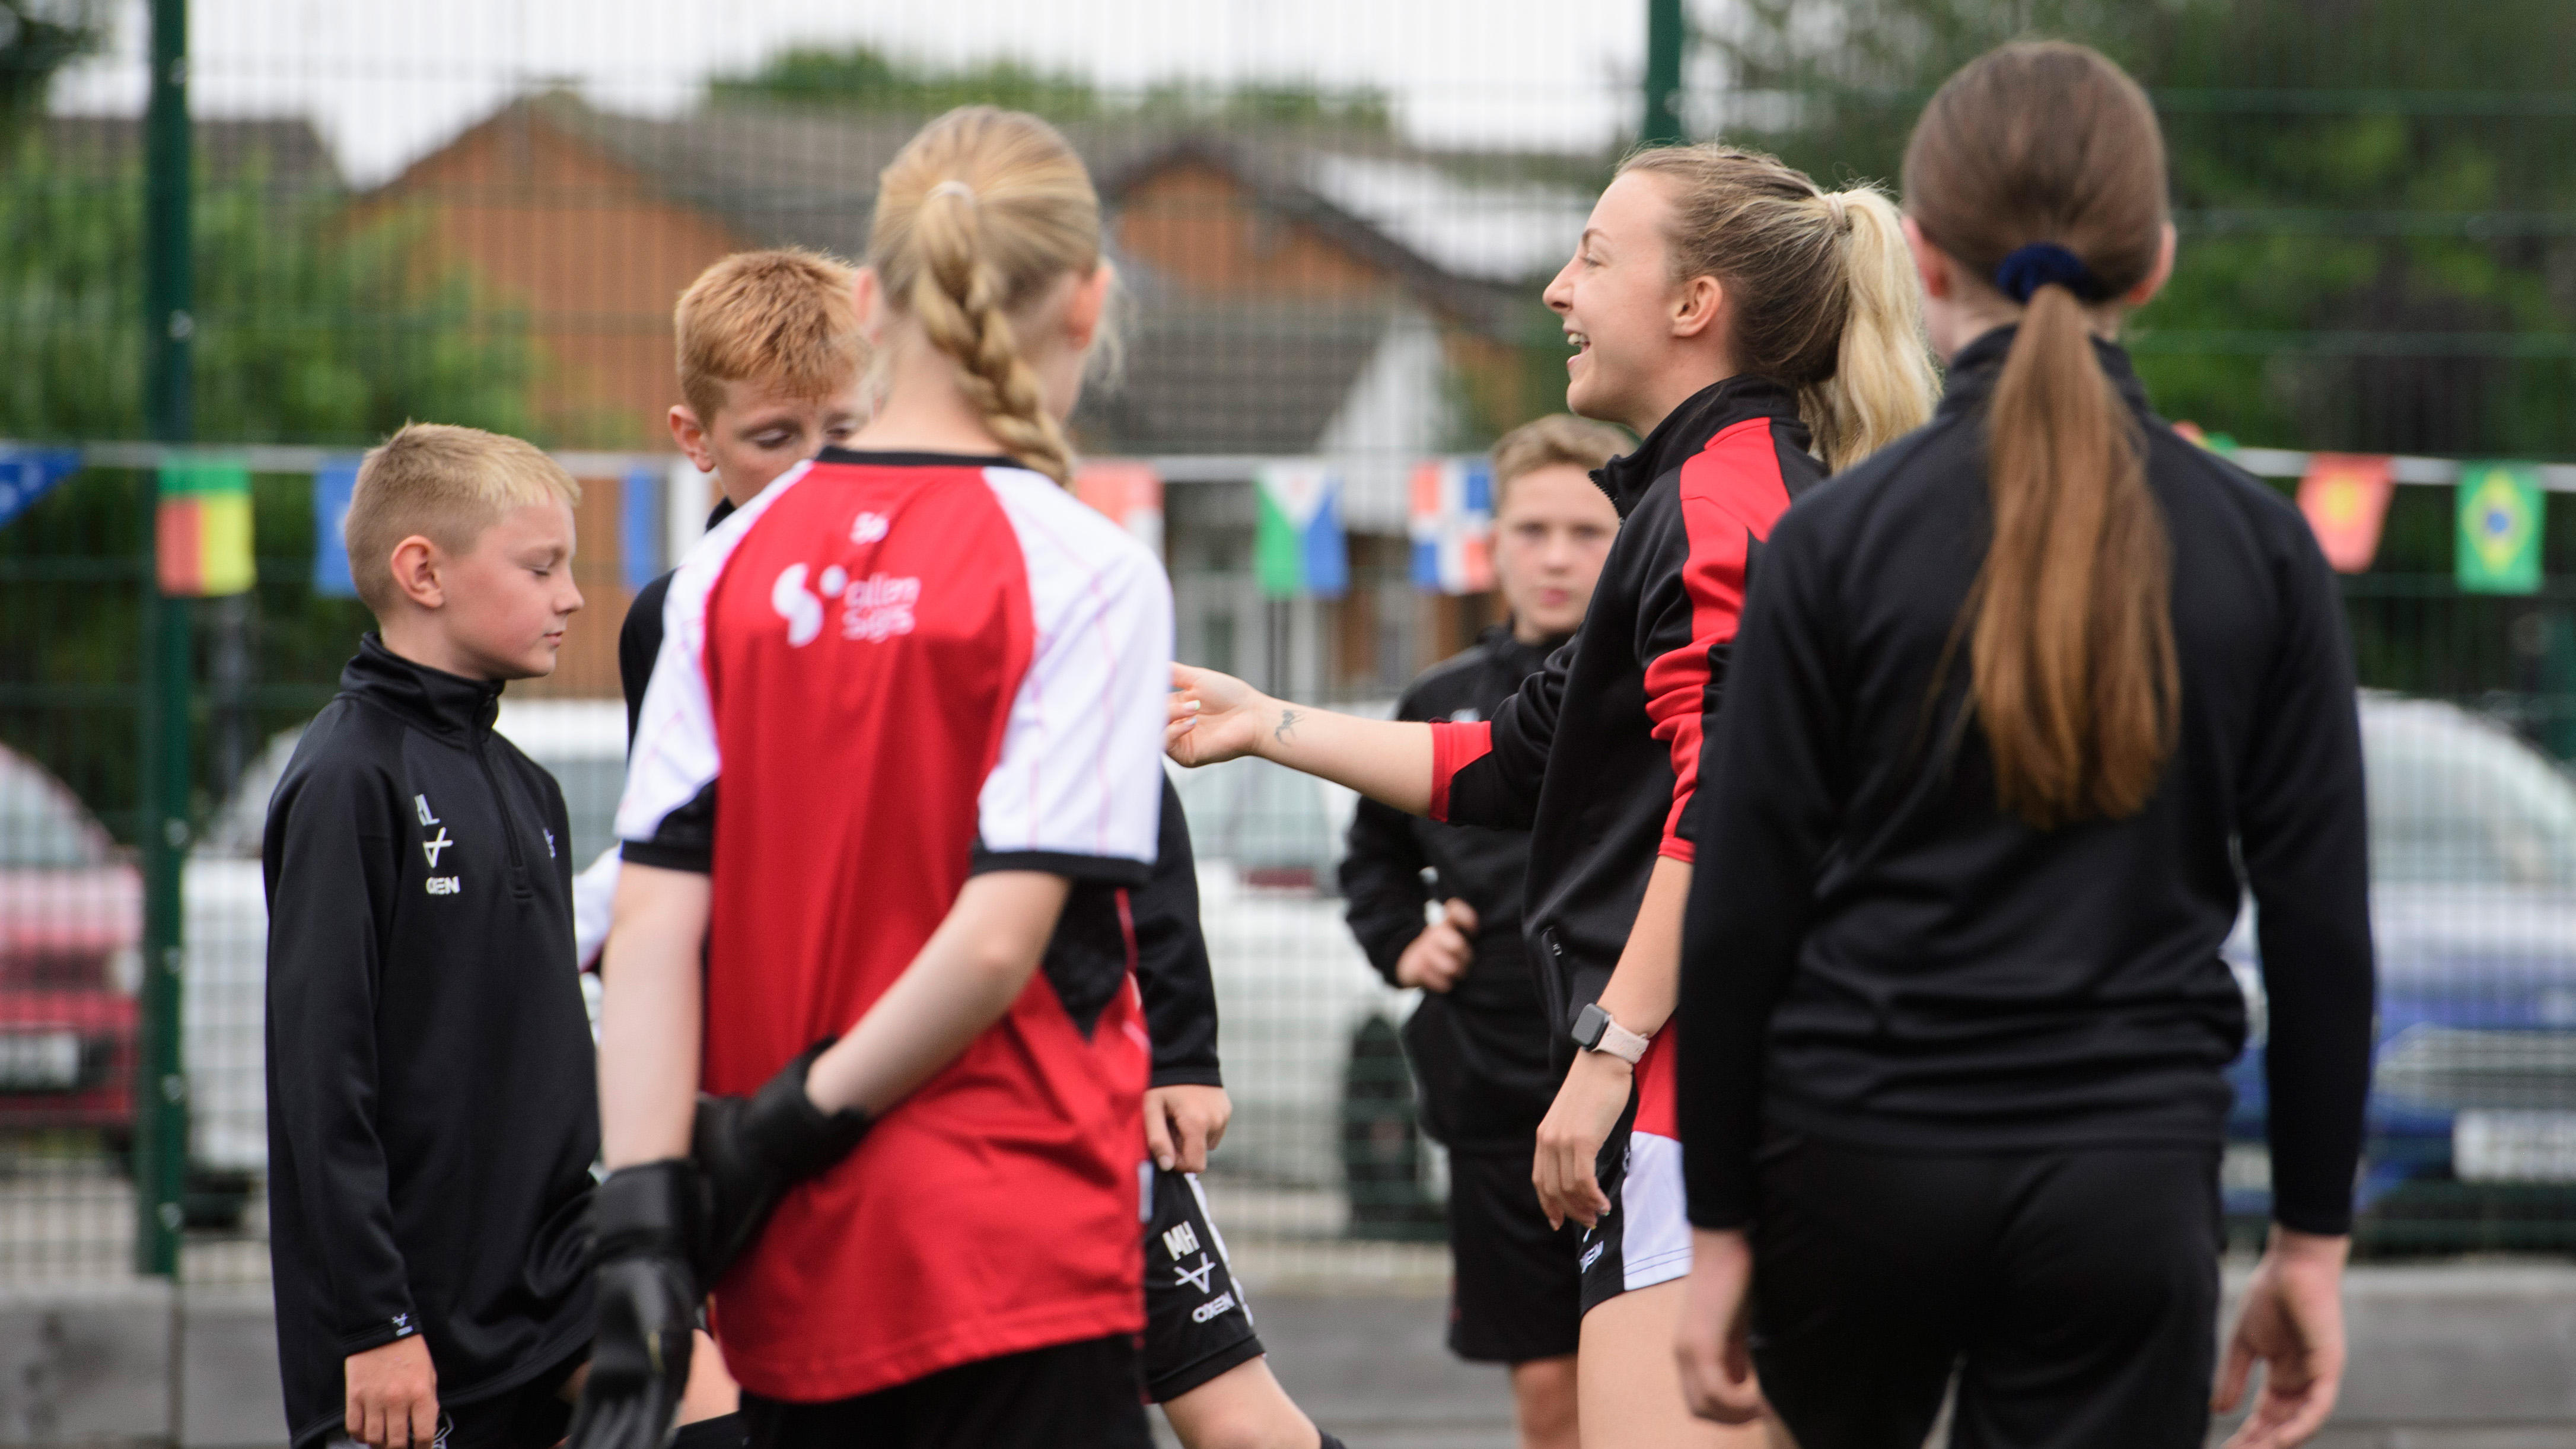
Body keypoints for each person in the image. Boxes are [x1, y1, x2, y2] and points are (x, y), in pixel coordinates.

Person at [1167, 145, 1935, 1448]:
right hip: (1759, 1089)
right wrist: (1268, 724)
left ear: (1694, 303)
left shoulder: (1723, 498)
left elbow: (1732, 798)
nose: (1553, 287)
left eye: (1592, 253)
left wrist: (1610, 1051)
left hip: (1714, 1097)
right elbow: (1518, 760)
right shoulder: (1715, 489)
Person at [1666, 42, 2374, 1449]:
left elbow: (1742, 905)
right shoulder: (2260, 550)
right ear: (2156, 261)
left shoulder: (1829, 545)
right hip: (2125, 1180)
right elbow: (2317, 929)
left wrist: (1722, 1226)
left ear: (1923, 260)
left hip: (1852, 1162)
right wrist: (2309, 1241)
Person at [577, 107, 1171, 1449]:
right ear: (1086, 301)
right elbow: (998, 941)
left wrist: (647, 1209)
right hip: (1012, 1240)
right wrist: (787, 1126)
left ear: (867, 296)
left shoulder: (728, 568)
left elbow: (656, 922)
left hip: (786, 1267)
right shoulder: (1084, 565)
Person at [263, 423, 596, 1449]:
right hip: (405, 1330)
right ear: (424, 573)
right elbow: (324, 1078)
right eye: (542, 567)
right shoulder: (347, 778)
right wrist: (378, 1321)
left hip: (556, 1290)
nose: (573, 596)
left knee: (706, 1388)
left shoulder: (527, 787)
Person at [1339, 413, 1625, 1449]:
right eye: (1531, 528)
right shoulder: (1442, 699)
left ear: (1633, 536)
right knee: (1551, 1395)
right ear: (1493, 538)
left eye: (1587, 533)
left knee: (1661, 1382)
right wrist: (1402, 941)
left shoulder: (1662, 690)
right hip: (1494, 1091)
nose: (1556, 557)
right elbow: (1370, 853)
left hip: (1639, 1082)